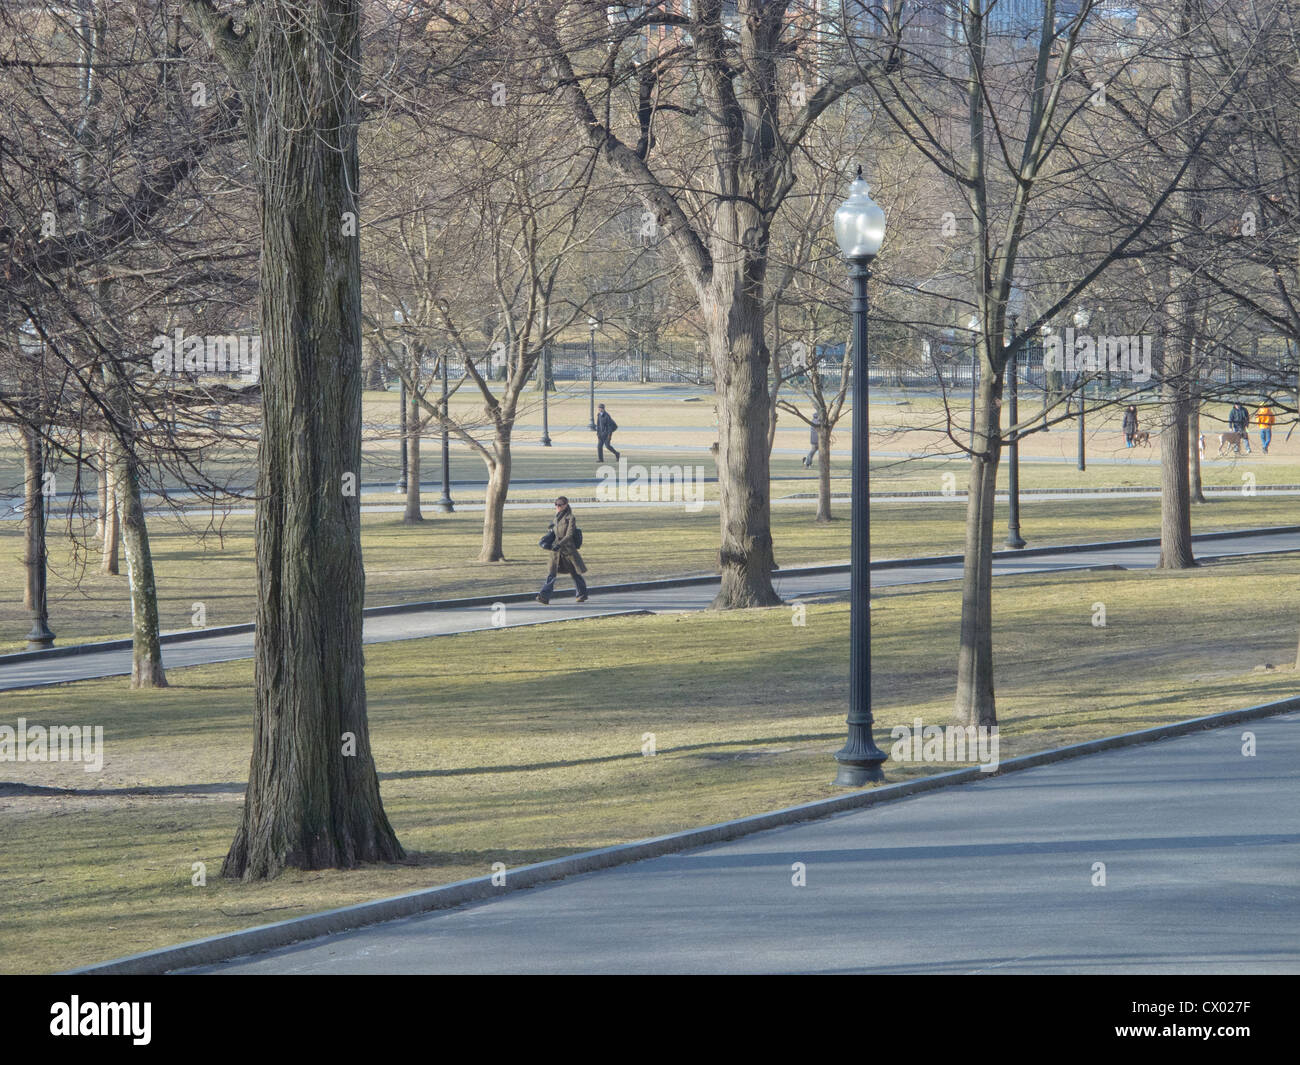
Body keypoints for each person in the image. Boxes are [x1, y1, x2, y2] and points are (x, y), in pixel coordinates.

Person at [536, 497, 588, 604]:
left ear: (566, 505)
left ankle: (582, 594)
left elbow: (569, 535)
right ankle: (544, 596)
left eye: (560, 504)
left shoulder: (570, 518)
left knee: (575, 573)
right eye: (556, 504)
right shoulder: (555, 518)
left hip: (568, 551)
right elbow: (554, 533)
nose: (557, 507)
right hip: (556, 553)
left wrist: (559, 545)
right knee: (551, 574)